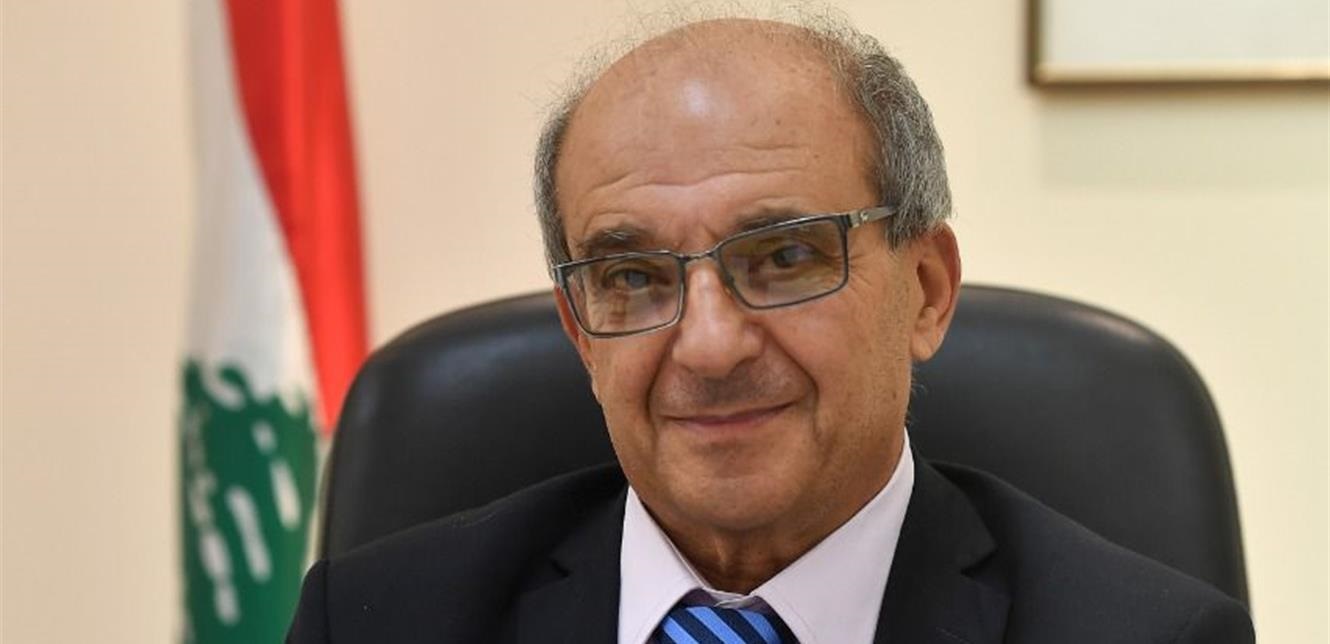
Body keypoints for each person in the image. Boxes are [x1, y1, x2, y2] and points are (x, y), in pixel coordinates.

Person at [287, 12, 1254, 644]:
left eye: (785, 257)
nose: (710, 346)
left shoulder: (1147, 637)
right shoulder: (376, 621)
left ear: (924, 290)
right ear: (581, 333)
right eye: (632, 276)